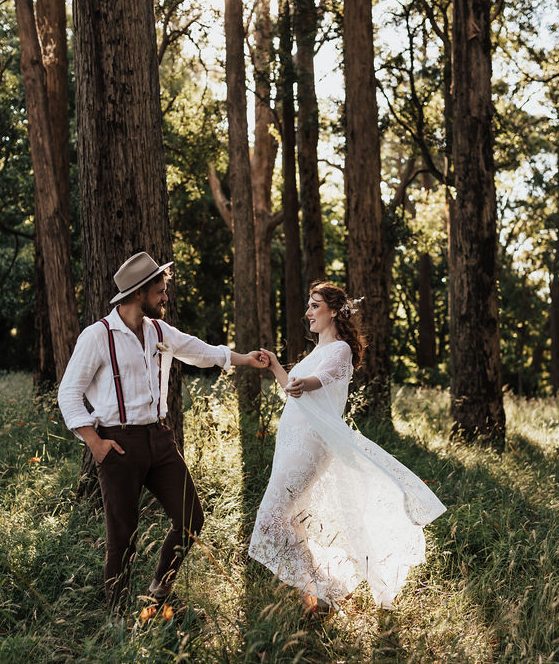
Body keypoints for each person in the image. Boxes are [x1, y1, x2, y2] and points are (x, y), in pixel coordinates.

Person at [58, 251, 269, 608]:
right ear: (138, 293)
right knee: (121, 536)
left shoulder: (158, 329)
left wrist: (244, 359)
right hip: (118, 443)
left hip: (159, 438)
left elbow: (198, 351)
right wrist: (94, 442)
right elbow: (68, 393)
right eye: (159, 291)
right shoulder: (98, 336)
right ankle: (118, 614)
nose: (164, 297)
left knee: (191, 518)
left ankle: (159, 589)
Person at [249, 282, 446, 616]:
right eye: (308, 306)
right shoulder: (316, 350)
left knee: (270, 517)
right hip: (291, 443)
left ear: (335, 311)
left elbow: (315, 383)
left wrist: (303, 382)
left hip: (310, 445)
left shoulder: (339, 350)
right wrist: (276, 367)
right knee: (293, 520)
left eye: (314, 306)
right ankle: (318, 598)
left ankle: (320, 589)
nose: (307, 313)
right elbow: (293, 391)